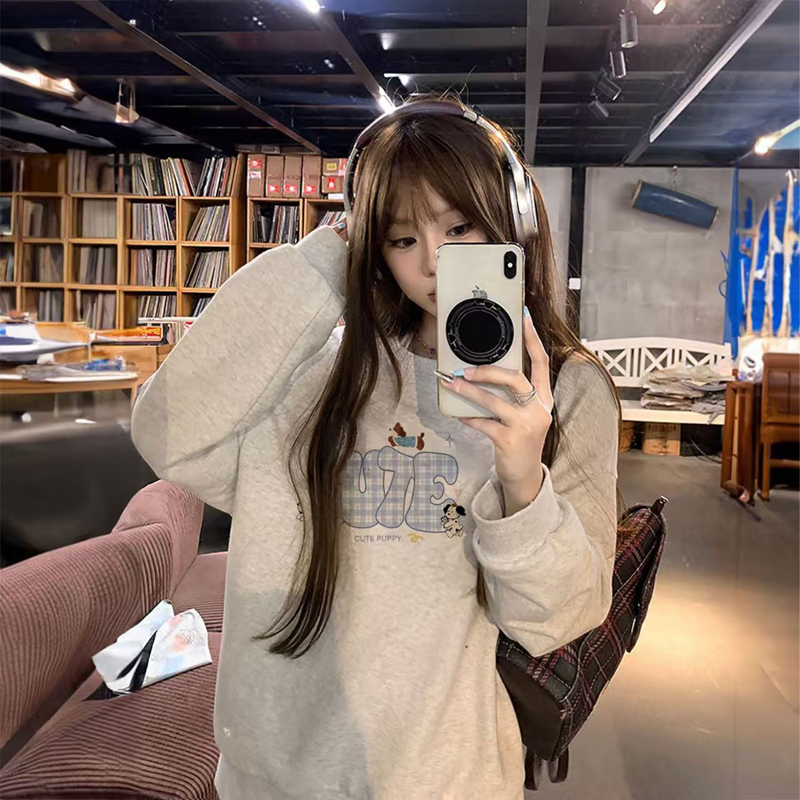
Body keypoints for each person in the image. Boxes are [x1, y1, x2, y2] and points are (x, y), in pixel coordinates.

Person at [131, 95, 620, 800]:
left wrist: (522, 481)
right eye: (401, 238)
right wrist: (330, 257)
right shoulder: (310, 375)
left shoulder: (566, 393)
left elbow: (559, 619)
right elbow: (167, 437)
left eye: (460, 226)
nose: (434, 263)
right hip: (271, 773)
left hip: (445, 779)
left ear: (512, 218)